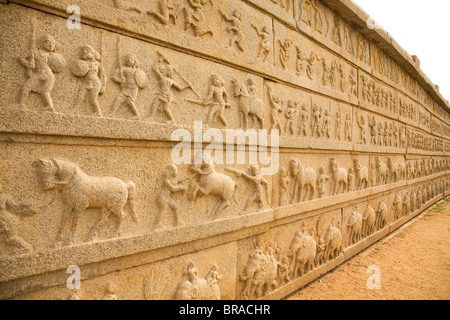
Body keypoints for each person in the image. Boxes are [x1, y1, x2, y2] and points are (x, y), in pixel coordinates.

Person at [18, 33, 66, 111]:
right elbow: (21, 57)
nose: (51, 45)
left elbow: (58, 63)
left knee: (45, 91)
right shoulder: (34, 52)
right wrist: (28, 64)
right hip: (39, 73)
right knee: (26, 87)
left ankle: (49, 106)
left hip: (48, 75)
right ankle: (22, 104)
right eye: (48, 42)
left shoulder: (51, 55)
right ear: (42, 42)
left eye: (53, 44)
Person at [150, 59, 189, 123]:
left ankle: (170, 120)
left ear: (166, 72)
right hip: (166, 95)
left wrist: (160, 60)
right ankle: (152, 116)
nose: (161, 71)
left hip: (165, 95)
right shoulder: (171, 80)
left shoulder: (162, 78)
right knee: (160, 106)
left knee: (159, 105)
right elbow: (180, 88)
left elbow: (155, 68)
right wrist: (187, 86)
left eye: (163, 70)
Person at [111, 53, 148, 120]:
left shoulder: (137, 71)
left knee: (129, 101)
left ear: (135, 61)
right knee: (119, 99)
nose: (129, 60)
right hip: (125, 87)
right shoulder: (123, 69)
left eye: (131, 59)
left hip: (133, 88)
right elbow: (113, 76)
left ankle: (136, 115)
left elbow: (142, 80)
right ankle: (112, 113)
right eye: (127, 58)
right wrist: (120, 80)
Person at [155, 164, 186, 229]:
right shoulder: (166, 180)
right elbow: (173, 188)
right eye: (175, 170)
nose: (176, 172)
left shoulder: (171, 179)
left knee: (175, 207)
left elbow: (177, 180)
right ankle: (158, 224)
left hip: (167, 197)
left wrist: (187, 177)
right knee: (163, 209)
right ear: (171, 171)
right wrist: (181, 187)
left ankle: (177, 221)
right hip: (162, 196)